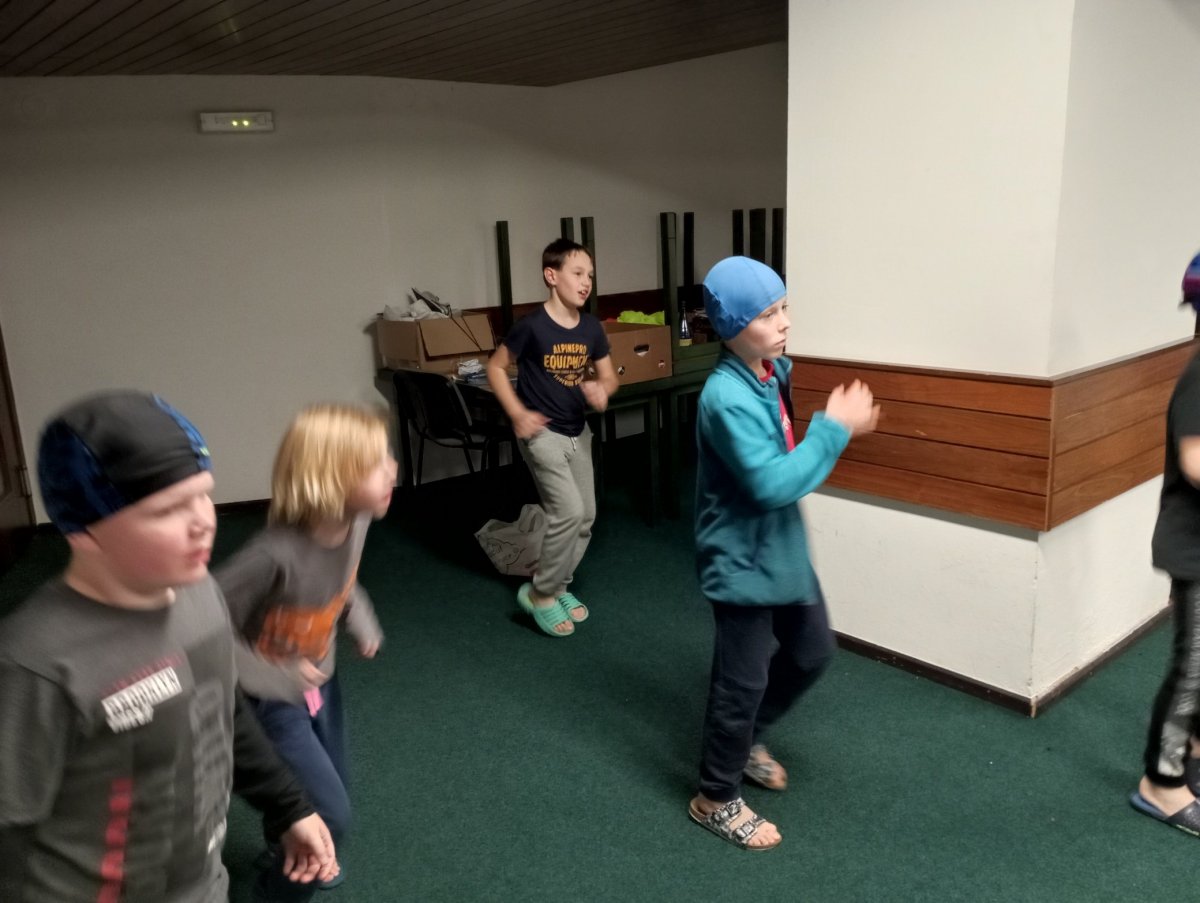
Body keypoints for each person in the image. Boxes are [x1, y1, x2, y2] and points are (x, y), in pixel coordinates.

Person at [0, 390, 339, 902]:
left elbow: (221, 709)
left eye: (203, 495)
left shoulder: (201, 594)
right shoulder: (34, 665)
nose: (204, 520)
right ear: (84, 530)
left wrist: (288, 806)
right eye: (169, 510)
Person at [686, 257, 879, 850]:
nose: (785, 322)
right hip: (740, 561)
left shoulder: (771, 372)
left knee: (813, 652)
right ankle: (715, 796)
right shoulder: (724, 397)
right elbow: (771, 482)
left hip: (780, 548)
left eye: (785, 307)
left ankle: (745, 740)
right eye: (768, 315)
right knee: (740, 684)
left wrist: (834, 425)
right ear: (732, 327)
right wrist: (834, 429)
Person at [216, 404, 391, 888]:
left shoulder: (356, 523)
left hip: (321, 685)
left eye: (388, 457)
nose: (393, 469)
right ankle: (281, 885)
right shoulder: (271, 556)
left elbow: (342, 583)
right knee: (328, 811)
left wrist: (361, 618)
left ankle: (282, 844)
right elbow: (202, 629)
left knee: (332, 781)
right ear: (330, 479)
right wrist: (276, 678)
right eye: (376, 463)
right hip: (269, 700)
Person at [486, 238, 619, 637]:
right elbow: (495, 367)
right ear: (551, 275)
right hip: (542, 434)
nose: (586, 282)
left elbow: (609, 376)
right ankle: (541, 594)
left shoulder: (591, 328)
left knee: (587, 516)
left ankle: (558, 585)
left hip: (578, 431)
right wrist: (517, 412)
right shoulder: (531, 327)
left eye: (590, 275)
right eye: (577, 273)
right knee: (568, 513)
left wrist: (602, 389)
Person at [1131, 250, 1200, 836]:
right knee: (1193, 667)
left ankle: (1193, 750)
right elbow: (1194, 460)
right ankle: (1162, 782)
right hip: (1194, 550)